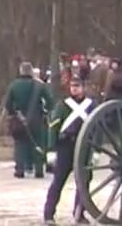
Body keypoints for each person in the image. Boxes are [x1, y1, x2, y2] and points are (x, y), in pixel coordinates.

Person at [42, 77, 94, 224]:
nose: (74, 89)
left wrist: (95, 151)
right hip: (66, 147)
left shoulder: (91, 105)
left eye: (77, 86)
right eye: (72, 86)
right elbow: (53, 128)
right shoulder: (63, 106)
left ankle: (79, 213)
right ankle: (48, 214)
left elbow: (98, 128)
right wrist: (51, 150)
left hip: (84, 147)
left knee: (83, 184)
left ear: (84, 87)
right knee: (58, 182)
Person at [4, 62, 49, 179]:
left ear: (20, 71)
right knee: (37, 142)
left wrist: (13, 113)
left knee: (20, 144)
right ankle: (39, 170)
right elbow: (50, 101)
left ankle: (20, 170)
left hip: (19, 119)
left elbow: (7, 103)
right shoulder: (40, 86)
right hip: (36, 119)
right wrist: (45, 111)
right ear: (31, 72)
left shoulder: (14, 85)